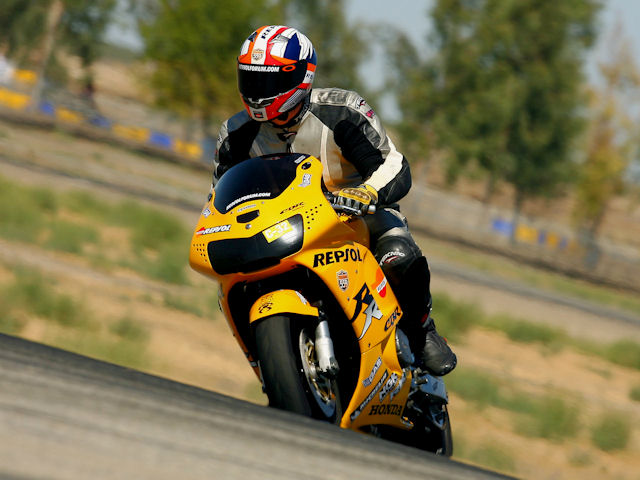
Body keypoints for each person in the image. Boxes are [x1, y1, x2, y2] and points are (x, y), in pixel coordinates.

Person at [212, 25, 456, 376]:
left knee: (398, 255)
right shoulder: (234, 134)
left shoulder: (342, 111)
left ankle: (421, 333)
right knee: (233, 282)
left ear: (300, 77)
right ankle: (269, 361)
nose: (257, 92)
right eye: (251, 79)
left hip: (357, 217)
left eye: (267, 82)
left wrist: (366, 193)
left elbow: (392, 165)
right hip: (281, 227)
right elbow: (221, 193)